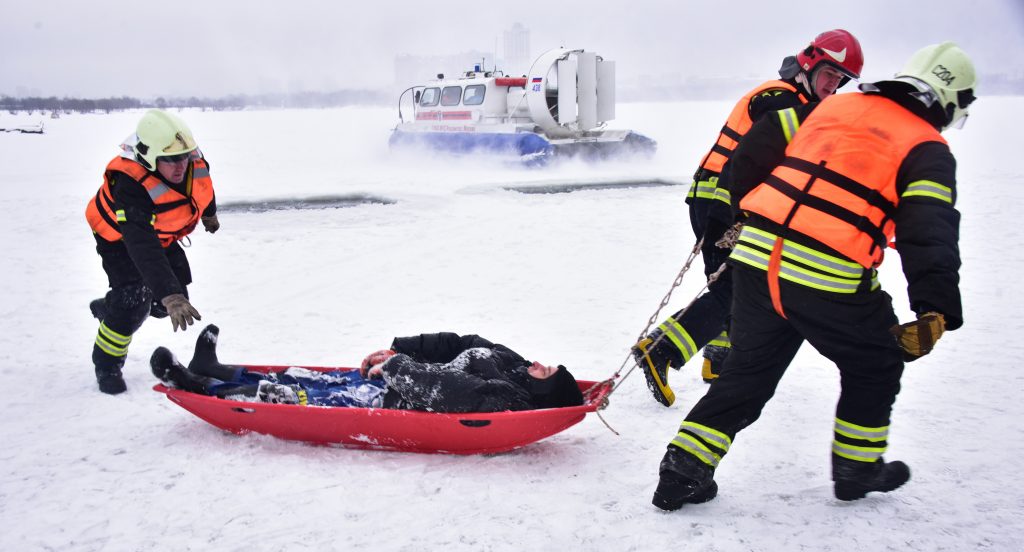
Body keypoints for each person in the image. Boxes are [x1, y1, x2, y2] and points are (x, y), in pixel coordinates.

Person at [651, 42, 977, 510]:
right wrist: (936, 308)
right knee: (877, 363)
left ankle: (682, 471)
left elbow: (749, 154)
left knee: (747, 372)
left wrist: (753, 216)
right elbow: (929, 232)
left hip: (758, 262)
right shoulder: (927, 147)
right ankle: (856, 470)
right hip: (829, 278)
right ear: (950, 99)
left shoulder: (829, 109)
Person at [633, 29, 864, 406]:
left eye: (840, 80)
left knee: (737, 284)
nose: (833, 85)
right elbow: (755, 155)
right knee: (737, 287)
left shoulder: (799, 102)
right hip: (721, 202)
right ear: (809, 64)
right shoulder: (778, 98)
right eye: (829, 75)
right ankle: (661, 349)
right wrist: (732, 216)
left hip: (734, 202)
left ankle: (718, 358)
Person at [150, 325, 585, 413]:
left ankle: (199, 387)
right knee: (306, 377)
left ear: (542, 393)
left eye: (547, 373)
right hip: (388, 379)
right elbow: (464, 344)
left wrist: (398, 368)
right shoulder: (514, 365)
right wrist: (399, 349)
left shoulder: (504, 398)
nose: (540, 364)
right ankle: (218, 369)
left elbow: (449, 389)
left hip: (392, 399)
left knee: (300, 398)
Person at [86, 109, 220, 395]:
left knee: (166, 305)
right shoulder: (129, 184)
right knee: (134, 301)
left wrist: (209, 214)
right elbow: (141, 243)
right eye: (170, 160)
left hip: (162, 235)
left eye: (183, 156)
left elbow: (203, 188)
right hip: (120, 238)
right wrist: (168, 293)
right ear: (147, 156)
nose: (180, 165)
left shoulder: (190, 161)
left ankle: (111, 308)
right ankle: (107, 363)